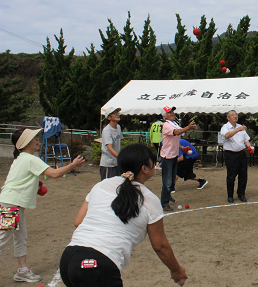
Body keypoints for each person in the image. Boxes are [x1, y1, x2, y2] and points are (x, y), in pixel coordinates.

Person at [59, 143, 187, 287]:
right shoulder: (149, 200)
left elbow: (78, 221)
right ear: (145, 169)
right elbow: (160, 246)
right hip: (98, 265)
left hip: (68, 258)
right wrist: (176, 270)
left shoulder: (102, 185)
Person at [0, 128, 85, 283]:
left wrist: (35, 188)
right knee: (2, 238)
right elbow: (54, 174)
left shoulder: (22, 158)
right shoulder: (29, 158)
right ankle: (22, 270)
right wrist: (73, 164)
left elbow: (19, 181)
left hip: (12, 203)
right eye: (33, 138)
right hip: (11, 204)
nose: (37, 139)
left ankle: (22, 270)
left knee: (20, 237)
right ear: (25, 144)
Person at [159, 106, 197, 212]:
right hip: (167, 156)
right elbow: (176, 132)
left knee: (171, 179)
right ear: (164, 115)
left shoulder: (173, 123)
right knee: (167, 181)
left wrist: (182, 148)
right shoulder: (167, 125)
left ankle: (167, 196)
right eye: (169, 112)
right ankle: (164, 203)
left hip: (173, 155)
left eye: (172, 111)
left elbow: (176, 138)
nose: (172, 113)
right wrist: (188, 127)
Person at [220, 110, 253, 203]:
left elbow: (246, 139)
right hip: (230, 154)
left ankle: (241, 194)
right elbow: (227, 135)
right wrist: (238, 130)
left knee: (243, 175)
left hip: (241, 154)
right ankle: (230, 195)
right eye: (232, 115)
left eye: (236, 115)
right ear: (228, 118)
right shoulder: (225, 127)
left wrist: (250, 147)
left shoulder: (240, 127)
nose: (235, 116)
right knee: (231, 176)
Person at [100, 107, 124, 180]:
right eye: (114, 113)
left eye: (117, 112)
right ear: (109, 118)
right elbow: (110, 148)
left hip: (116, 164)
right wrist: (121, 158)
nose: (117, 114)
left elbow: (119, 144)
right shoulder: (107, 130)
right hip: (108, 164)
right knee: (107, 188)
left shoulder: (118, 127)